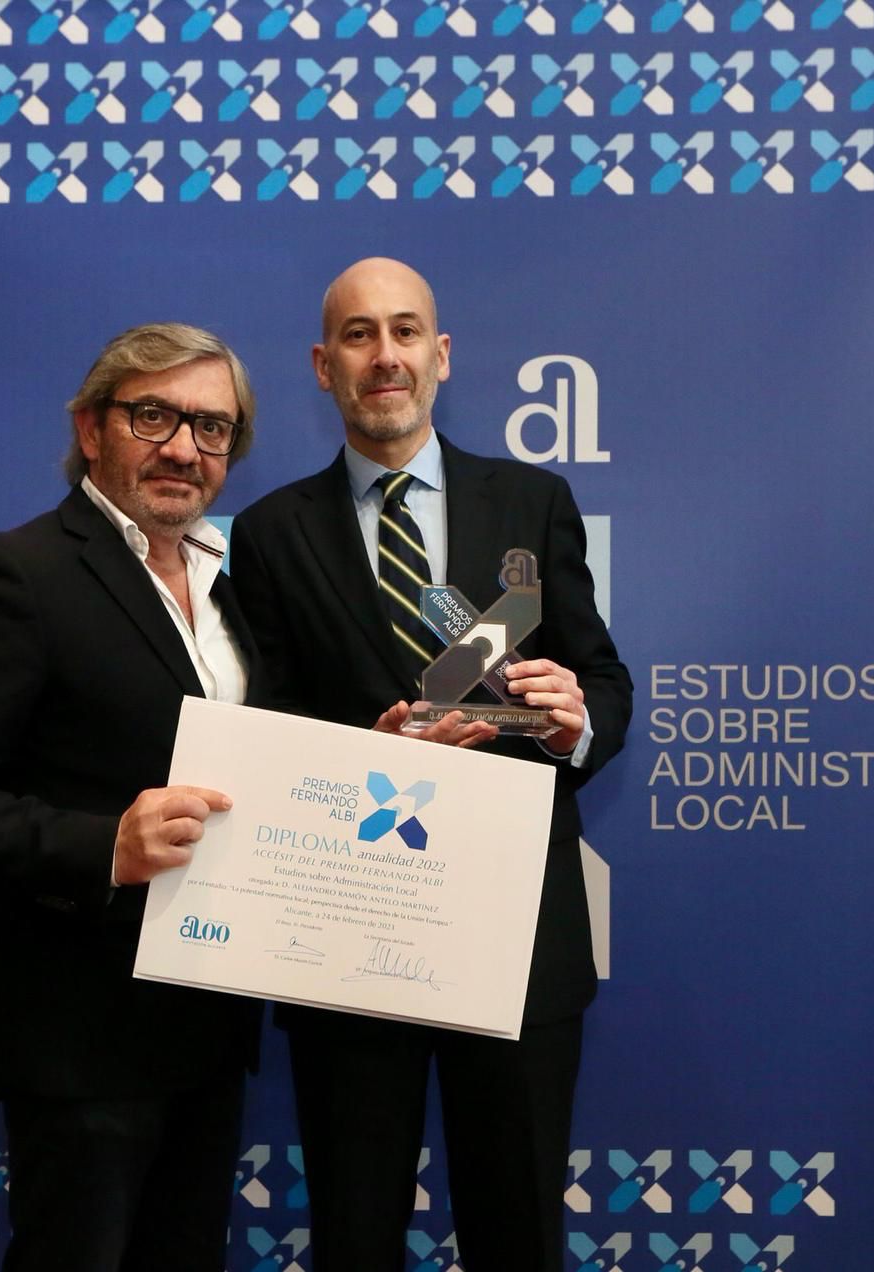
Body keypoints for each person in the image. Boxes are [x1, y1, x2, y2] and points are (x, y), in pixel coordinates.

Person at [229, 258, 633, 1272]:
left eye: (405, 331)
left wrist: (571, 727)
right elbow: (261, 727)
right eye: (358, 335)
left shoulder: (532, 501)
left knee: (518, 1233)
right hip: (349, 930)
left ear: (440, 355)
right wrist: (365, 757)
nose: (385, 356)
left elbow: (602, 681)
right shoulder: (272, 533)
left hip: (518, 933)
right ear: (323, 365)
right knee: (355, 1234)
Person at [0, 322, 262, 1271]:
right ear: (92, 430)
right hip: (78, 1037)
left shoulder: (236, 590)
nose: (184, 448)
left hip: (209, 1030)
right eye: (154, 417)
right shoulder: (16, 573)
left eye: (212, 428)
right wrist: (106, 849)